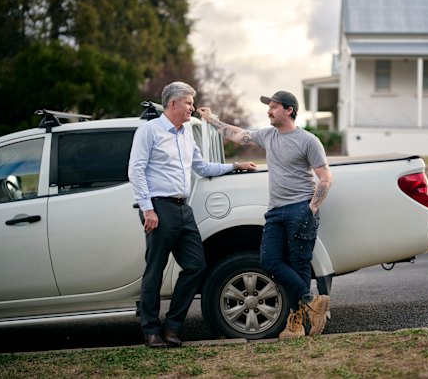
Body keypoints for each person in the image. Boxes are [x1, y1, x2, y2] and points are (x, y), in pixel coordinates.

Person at [128, 81, 257, 348]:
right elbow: (136, 171)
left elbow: (201, 166)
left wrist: (236, 165)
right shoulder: (149, 131)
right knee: (155, 271)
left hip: (183, 209)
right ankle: (151, 330)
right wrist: (147, 209)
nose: (192, 107)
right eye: (188, 102)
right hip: (159, 208)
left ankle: (173, 327)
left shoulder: (187, 132)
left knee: (196, 265)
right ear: (172, 103)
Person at [197, 90, 333, 339]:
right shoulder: (267, 135)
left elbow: (325, 178)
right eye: (269, 107)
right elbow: (238, 135)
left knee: (298, 265)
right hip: (275, 211)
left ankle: (296, 324)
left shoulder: (308, 141)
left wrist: (311, 209)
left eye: (274, 107)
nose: (268, 111)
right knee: (269, 262)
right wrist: (211, 120)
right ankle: (312, 300)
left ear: (289, 110)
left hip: (300, 208)